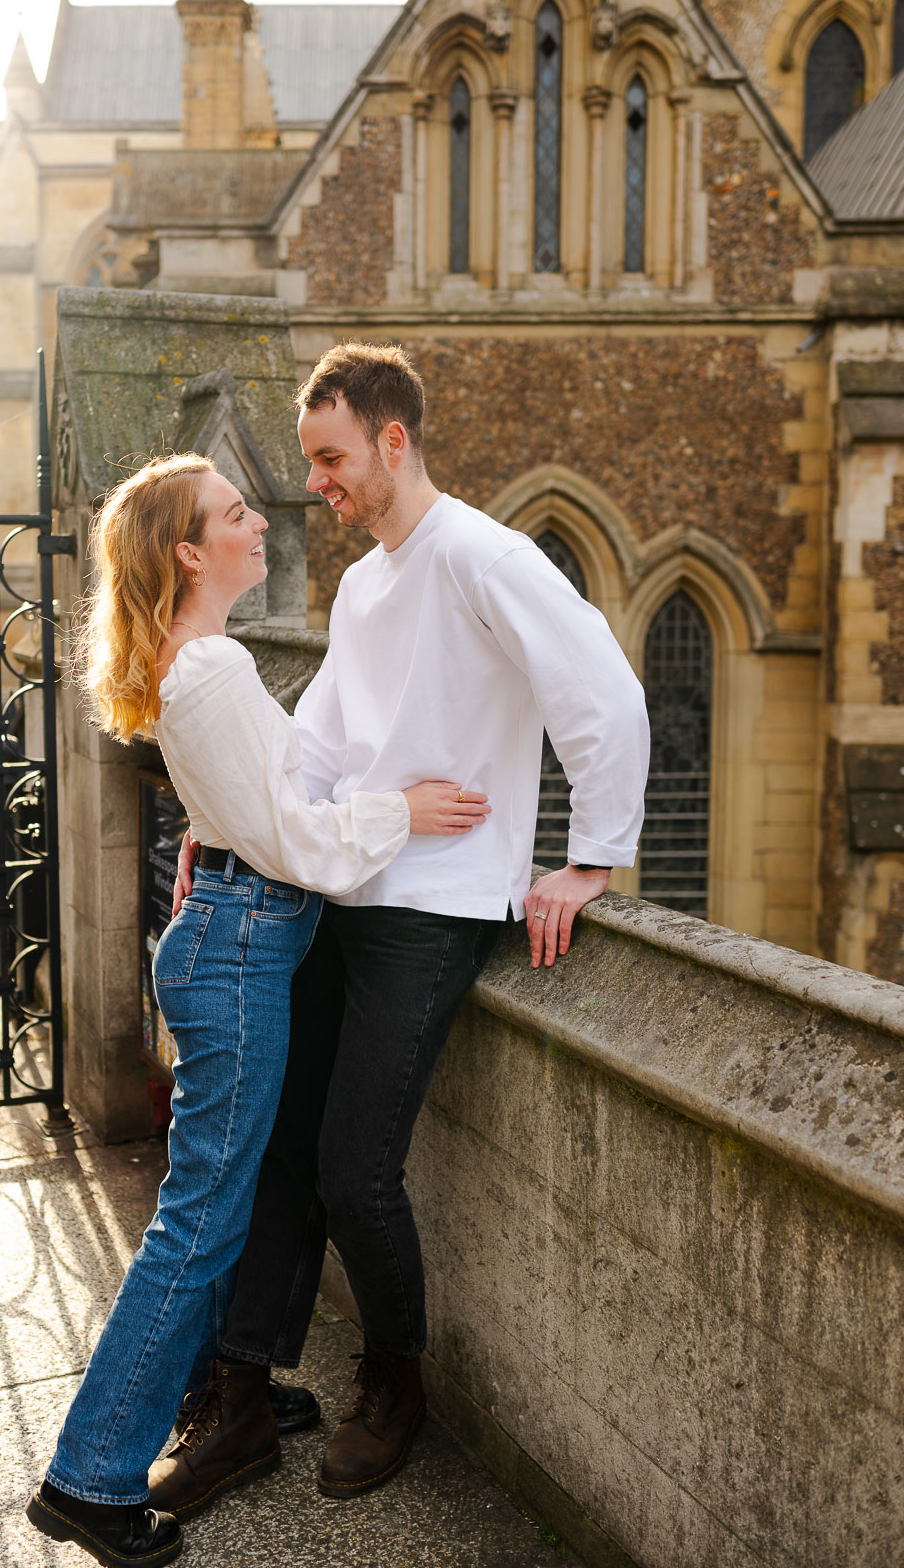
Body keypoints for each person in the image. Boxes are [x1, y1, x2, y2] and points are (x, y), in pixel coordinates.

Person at [148, 342, 649, 1518]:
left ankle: (395, 1376)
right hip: (347, 885)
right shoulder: (368, 581)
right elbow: (315, 744)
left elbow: (603, 690)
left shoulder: (483, 554)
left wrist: (586, 859)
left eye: (330, 455)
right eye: (309, 460)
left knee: (355, 1170)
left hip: (436, 908)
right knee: (276, 1143)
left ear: (393, 439)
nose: (317, 479)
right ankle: (241, 1399)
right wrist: (222, 822)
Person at [25, 452, 490, 1567]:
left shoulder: (199, 664)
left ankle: (221, 1401)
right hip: (238, 948)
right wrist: (408, 809)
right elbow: (301, 841)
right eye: (239, 514)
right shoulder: (216, 667)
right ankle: (89, 1478)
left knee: (214, 1206)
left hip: (230, 940)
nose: (262, 524)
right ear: (192, 551)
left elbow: (258, 800)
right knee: (200, 1221)